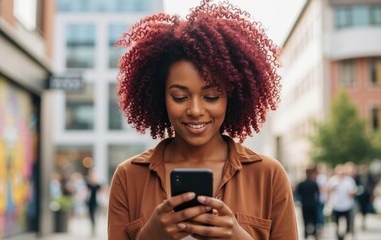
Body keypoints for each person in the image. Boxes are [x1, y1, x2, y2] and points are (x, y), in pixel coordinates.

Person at [108, 0, 298, 239]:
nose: (195, 110)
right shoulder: (128, 177)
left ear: (232, 96)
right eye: (179, 97)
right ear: (160, 97)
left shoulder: (268, 175)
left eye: (210, 96)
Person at [327, 164, 357, 240]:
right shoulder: (333, 180)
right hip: (336, 205)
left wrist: (351, 193)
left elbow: (353, 192)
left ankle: (345, 234)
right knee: (336, 223)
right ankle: (338, 236)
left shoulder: (349, 180)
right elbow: (327, 191)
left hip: (347, 205)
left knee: (347, 223)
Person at [296, 167, 320, 239]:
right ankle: (315, 234)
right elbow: (318, 194)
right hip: (313, 204)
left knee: (305, 220)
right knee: (314, 220)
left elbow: (298, 194)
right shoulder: (314, 183)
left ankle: (306, 235)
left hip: (305, 204)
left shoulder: (301, 184)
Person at [355, 164, 377, 230]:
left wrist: (372, 195)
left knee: (365, 209)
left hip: (367, 195)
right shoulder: (358, 177)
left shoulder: (370, 176)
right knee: (359, 208)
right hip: (359, 195)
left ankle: (363, 222)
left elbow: (373, 185)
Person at [86, 170, 102, 236]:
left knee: (94, 214)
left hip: (96, 202)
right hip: (90, 202)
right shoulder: (88, 184)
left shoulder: (98, 185)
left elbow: (102, 192)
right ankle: (93, 227)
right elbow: (85, 191)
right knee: (91, 215)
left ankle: (94, 227)